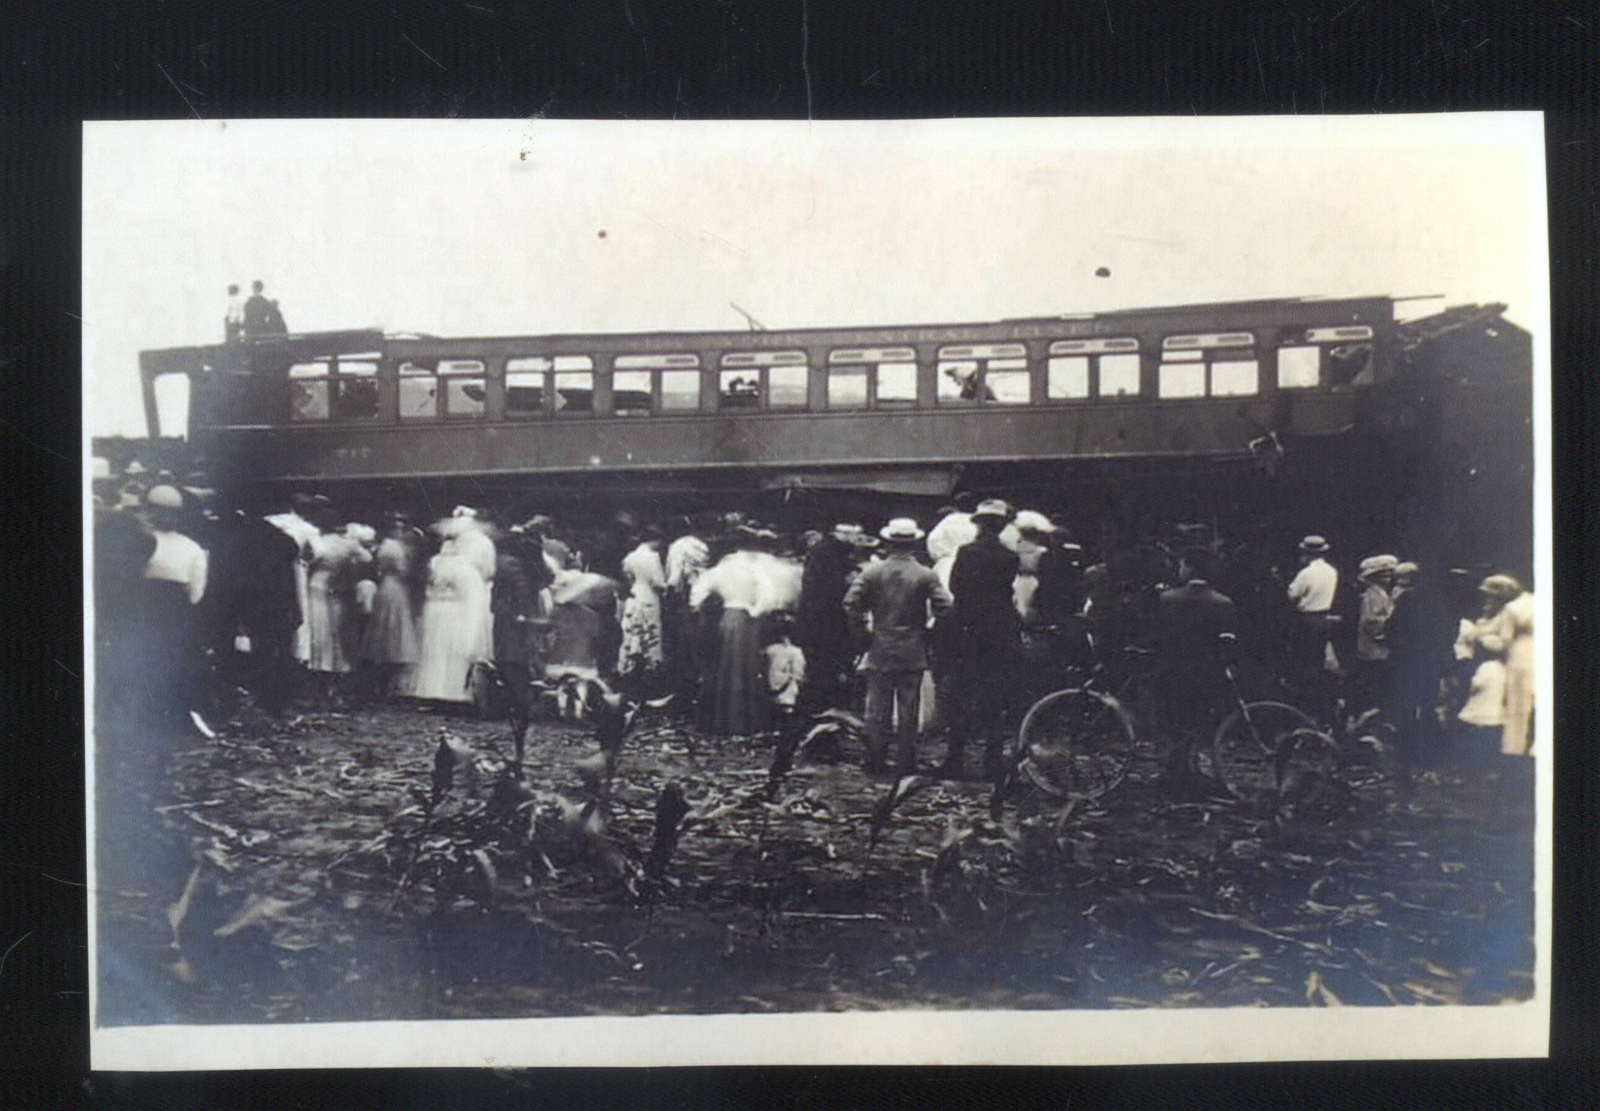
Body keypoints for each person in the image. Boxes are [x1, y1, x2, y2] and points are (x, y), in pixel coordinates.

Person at [844, 518, 953, 776]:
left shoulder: (872, 572)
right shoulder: (925, 574)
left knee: (877, 708)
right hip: (913, 648)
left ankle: (874, 759)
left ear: (888, 542)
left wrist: (862, 632)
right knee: (908, 709)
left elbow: (850, 603)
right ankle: (906, 762)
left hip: (880, 644)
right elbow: (946, 607)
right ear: (914, 542)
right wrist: (929, 630)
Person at [942, 499, 1022, 781]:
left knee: (961, 695)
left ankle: (954, 759)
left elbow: (955, 587)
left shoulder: (967, 552)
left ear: (979, 524)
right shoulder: (1009, 557)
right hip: (998, 632)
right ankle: (993, 761)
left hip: (967, 631)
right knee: (994, 697)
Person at [1154, 549, 1239, 795]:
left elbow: (1159, 637)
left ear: (1188, 568)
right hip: (1206, 674)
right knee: (1201, 721)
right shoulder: (1222, 603)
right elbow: (1226, 643)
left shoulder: (1167, 599)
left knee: (1173, 720)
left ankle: (1174, 770)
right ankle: (1196, 769)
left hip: (1172, 671)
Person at [139, 485, 210, 732]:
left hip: (142, 613)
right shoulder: (192, 548)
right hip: (175, 616)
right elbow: (196, 595)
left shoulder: (141, 541)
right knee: (174, 664)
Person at [691, 531, 775, 737]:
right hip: (746, 618)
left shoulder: (720, 569)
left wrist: (704, 610)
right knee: (744, 667)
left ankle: (718, 719)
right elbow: (768, 596)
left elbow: (697, 594)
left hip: (726, 617)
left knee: (723, 666)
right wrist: (755, 611)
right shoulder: (755, 569)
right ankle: (743, 720)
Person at [412, 536, 490, 704]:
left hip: (432, 608)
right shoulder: (462, 567)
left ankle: (430, 688)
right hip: (451, 610)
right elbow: (468, 593)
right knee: (450, 649)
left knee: (433, 650)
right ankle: (449, 690)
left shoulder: (434, 563)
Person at [795, 522, 859, 712]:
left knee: (819, 666)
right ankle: (823, 707)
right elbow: (832, 588)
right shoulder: (831, 553)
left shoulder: (823, 550)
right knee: (827, 665)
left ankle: (816, 705)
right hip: (827, 619)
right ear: (845, 534)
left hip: (815, 618)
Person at [491, 525, 541, 765]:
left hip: (505, 616)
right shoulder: (515, 565)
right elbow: (523, 592)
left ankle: (514, 702)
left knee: (508, 656)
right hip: (515, 616)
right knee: (516, 657)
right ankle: (520, 705)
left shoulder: (504, 562)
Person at [359, 513, 422, 699]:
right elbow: (404, 571)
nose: (400, 531)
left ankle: (381, 682)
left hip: (385, 586)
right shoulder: (396, 548)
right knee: (394, 629)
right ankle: (388, 683)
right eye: (397, 528)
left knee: (384, 628)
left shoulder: (383, 546)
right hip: (396, 588)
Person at [1286, 534, 1340, 719]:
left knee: (1305, 664)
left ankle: (1307, 707)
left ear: (1306, 553)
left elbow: (1292, 595)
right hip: (1323, 618)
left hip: (1306, 620)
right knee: (1318, 662)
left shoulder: (1306, 573)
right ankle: (1320, 705)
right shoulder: (1332, 571)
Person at [617, 527, 667, 687]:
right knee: (650, 631)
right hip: (649, 596)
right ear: (655, 540)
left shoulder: (629, 557)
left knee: (632, 631)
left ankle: (627, 668)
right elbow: (657, 581)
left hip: (634, 595)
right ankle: (651, 669)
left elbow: (628, 578)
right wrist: (665, 588)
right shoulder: (653, 557)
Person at [1353, 554, 1398, 713]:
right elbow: (1370, 622)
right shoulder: (1373, 595)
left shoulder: (1384, 594)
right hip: (1373, 648)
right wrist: (1390, 626)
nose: (1388, 578)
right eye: (1383, 575)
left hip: (1378, 648)